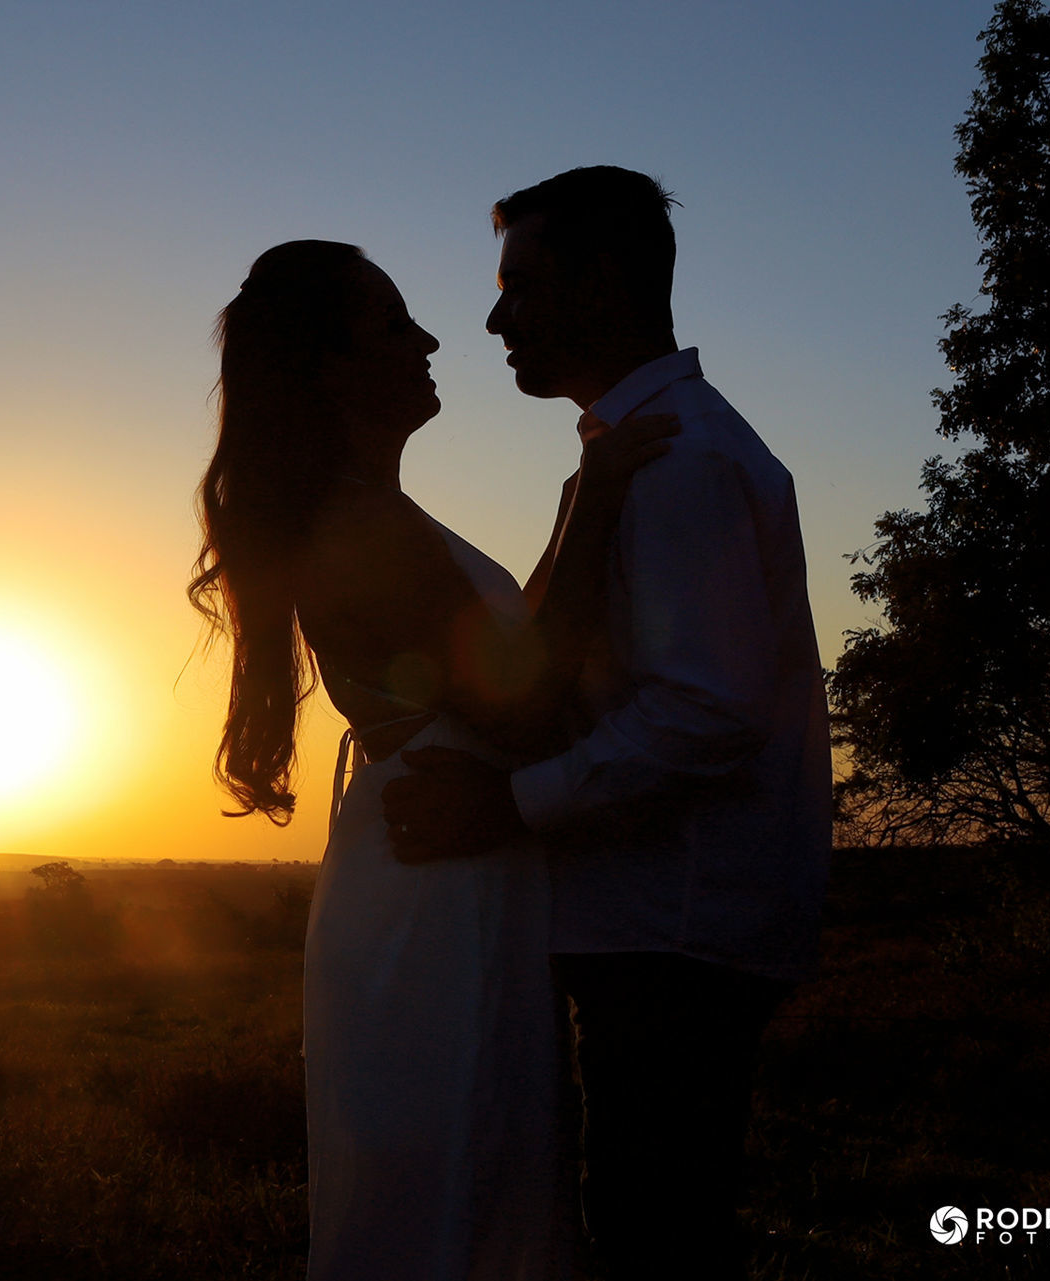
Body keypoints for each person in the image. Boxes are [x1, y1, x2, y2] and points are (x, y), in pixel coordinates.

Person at [189, 239, 675, 1280]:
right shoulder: (359, 527)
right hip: (436, 880)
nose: (431, 341)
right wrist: (595, 506)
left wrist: (581, 504)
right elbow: (528, 700)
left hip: (450, 867)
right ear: (331, 365)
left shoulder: (381, 516)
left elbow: (500, 652)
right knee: (454, 1170)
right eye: (394, 324)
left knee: (474, 1163)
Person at [382, 167, 833, 1280]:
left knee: (652, 1234)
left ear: (608, 282)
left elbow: (706, 710)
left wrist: (510, 804)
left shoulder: (678, 460)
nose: (496, 319)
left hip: (671, 927)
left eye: (523, 287)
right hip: (651, 923)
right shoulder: (633, 453)